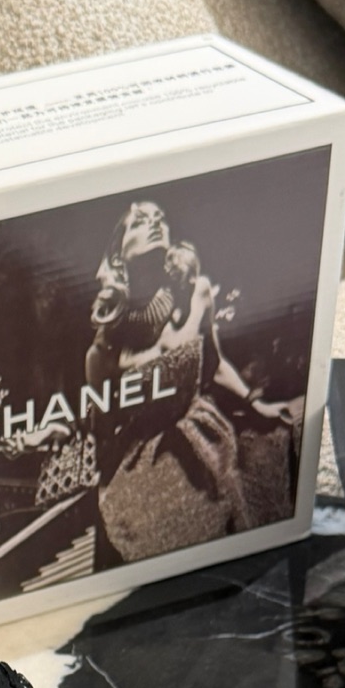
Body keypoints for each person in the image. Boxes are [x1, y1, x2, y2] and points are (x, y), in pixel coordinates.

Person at [85, 201, 301, 568]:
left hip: (205, 437)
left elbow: (214, 364)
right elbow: (102, 426)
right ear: (117, 255)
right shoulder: (104, 347)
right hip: (143, 464)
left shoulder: (196, 291)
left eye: (160, 218)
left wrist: (255, 402)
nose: (155, 223)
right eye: (140, 221)